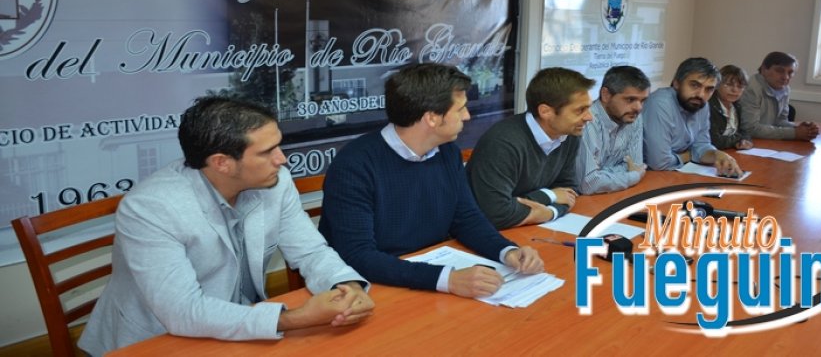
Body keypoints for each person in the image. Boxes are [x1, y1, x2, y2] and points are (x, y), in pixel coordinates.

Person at [79, 97, 374, 356]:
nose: (281, 159)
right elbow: (182, 312)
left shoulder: (275, 181)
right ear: (222, 163)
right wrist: (295, 318)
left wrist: (346, 287)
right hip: (155, 341)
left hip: (241, 327)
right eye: (267, 151)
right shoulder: (150, 208)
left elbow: (310, 252)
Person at [318, 63, 543, 299]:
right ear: (432, 118)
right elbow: (358, 255)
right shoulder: (355, 165)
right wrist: (447, 279)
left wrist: (507, 251)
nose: (467, 116)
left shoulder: (447, 152)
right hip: (373, 288)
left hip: (427, 277)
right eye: (460, 109)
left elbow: (466, 218)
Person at [467, 67, 595, 229]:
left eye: (588, 108)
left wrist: (552, 211)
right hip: (486, 231)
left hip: (528, 226)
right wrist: (550, 196)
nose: (589, 117)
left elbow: (569, 191)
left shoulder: (569, 135)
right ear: (545, 111)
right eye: (580, 110)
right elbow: (496, 213)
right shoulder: (503, 143)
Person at [642, 57, 742, 176]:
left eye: (709, 89)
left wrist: (717, 154)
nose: (701, 94)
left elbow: (701, 145)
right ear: (677, 83)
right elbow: (659, 163)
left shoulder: (701, 104)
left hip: (675, 172)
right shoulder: (660, 104)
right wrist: (689, 155)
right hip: (650, 176)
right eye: (694, 85)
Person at [575, 65, 650, 194]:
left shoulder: (633, 117)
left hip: (613, 196)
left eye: (642, 100)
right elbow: (588, 184)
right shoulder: (587, 121)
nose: (638, 108)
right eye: (630, 99)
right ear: (606, 95)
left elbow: (636, 165)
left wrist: (602, 175)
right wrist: (633, 176)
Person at [741, 51, 819, 141]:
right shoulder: (751, 89)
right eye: (779, 71)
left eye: (790, 72)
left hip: (766, 141)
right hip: (746, 142)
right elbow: (750, 129)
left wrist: (799, 128)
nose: (786, 77)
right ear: (764, 69)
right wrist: (794, 133)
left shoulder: (785, 89)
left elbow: (779, 121)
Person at [709, 64, 754, 150]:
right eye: (729, 84)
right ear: (717, 85)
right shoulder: (709, 106)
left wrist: (746, 140)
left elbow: (743, 131)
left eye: (740, 87)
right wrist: (737, 140)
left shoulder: (736, 106)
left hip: (730, 151)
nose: (735, 90)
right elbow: (714, 141)